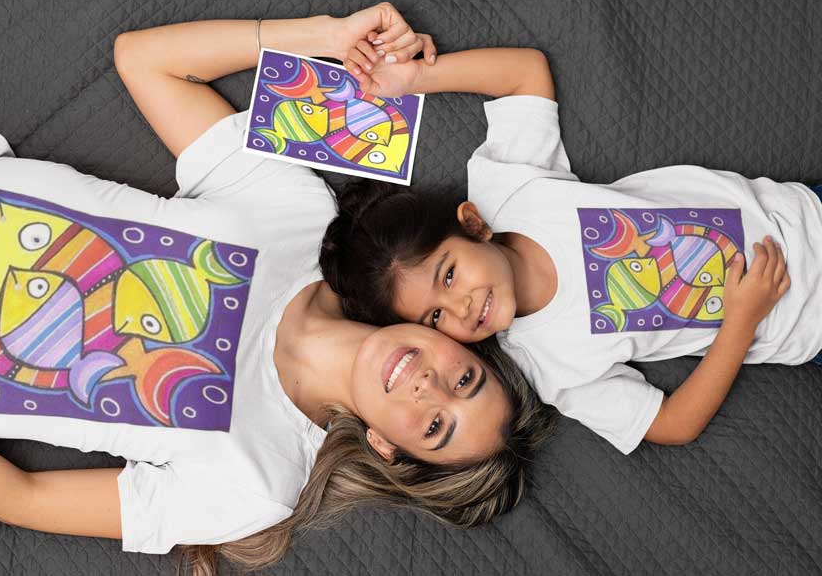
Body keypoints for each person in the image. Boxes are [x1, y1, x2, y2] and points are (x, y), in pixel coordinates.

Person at [0, 3, 556, 576]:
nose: (427, 388)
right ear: (450, 336)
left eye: (435, 426)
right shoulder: (303, 220)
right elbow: (145, 60)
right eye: (463, 378)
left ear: (387, 447)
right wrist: (324, 37)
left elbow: (21, 499)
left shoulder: (256, 485)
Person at [318, 44, 819, 457]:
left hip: (803, 212)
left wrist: (410, 81)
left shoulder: (508, 191)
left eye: (448, 277)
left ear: (473, 225)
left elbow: (524, 74)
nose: (461, 308)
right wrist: (741, 322)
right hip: (806, 325)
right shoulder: (547, 366)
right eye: (433, 318)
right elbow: (671, 424)